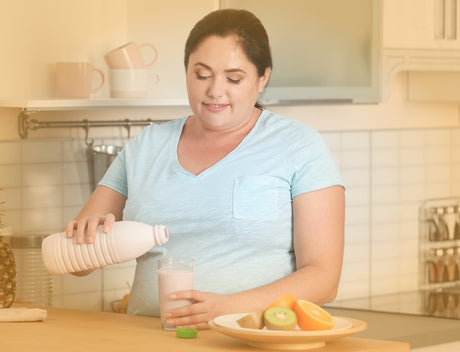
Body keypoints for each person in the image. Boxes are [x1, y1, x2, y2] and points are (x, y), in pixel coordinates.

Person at [66, 8, 345, 330]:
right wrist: (86, 237)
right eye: (202, 75)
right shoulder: (147, 146)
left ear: (262, 77)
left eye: (234, 78)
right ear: (186, 71)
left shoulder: (299, 147)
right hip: (147, 340)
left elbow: (323, 279)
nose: (215, 90)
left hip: (251, 341)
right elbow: (79, 265)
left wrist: (227, 308)